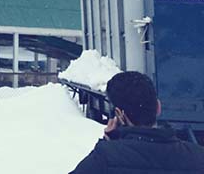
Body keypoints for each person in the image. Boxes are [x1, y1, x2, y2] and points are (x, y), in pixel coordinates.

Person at [71, 71, 204, 173]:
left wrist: (106, 142)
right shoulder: (197, 157)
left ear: (119, 114)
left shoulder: (104, 159)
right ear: (158, 107)